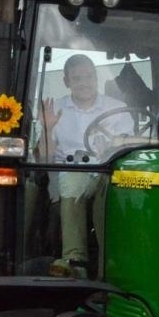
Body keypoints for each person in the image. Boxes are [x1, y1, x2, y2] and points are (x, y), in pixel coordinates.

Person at [38, 53, 124, 274]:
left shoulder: (118, 108)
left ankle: (111, 269)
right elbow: (45, 160)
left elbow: (128, 149)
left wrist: (111, 148)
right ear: (67, 81)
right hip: (67, 178)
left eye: (89, 76)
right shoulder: (55, 109)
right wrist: (47, 129)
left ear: (96, 77)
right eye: (77, 78)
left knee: (115, 191)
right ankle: (76, 263)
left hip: (106, 173)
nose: (84, 83)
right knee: (74, 178)